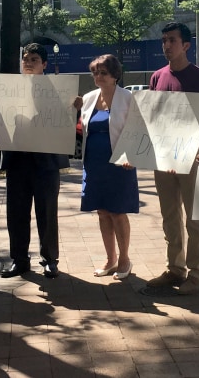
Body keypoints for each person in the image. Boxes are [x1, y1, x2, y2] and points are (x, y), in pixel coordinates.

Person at [0, 43, 69, 279]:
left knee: (47, 213)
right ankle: (19, 260)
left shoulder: (57, 89)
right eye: (26, 59)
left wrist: (74, 106)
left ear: (44, 64)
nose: (29, 62)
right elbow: (2, 124)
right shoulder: (9, 90)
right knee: (17, 213)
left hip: (46, 161)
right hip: (18, 160)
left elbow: (64, 120)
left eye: (34, 59)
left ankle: (50, 260)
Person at [147, 22, 199, 295]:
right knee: (169, 215)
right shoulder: (156, 77)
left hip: (189, 155)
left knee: (195, 218)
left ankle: (196, 274)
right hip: (162, 156)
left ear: (186, 45)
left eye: (172, 40)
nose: (166, 45)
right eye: (163, 40)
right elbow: (150, 118)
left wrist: (190, 150)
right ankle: (175, 268)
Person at [73, 54, 139, 280]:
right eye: (95, 72)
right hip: (94, 163)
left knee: (118, 212)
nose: (98, 76)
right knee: (102, 212)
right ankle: (110, 259)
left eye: (103, 72)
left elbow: (138, 130)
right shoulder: (89, 98)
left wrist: (132, 155)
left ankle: (124, 259)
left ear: (114, 75)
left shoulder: (128, 98)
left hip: (121, 163)